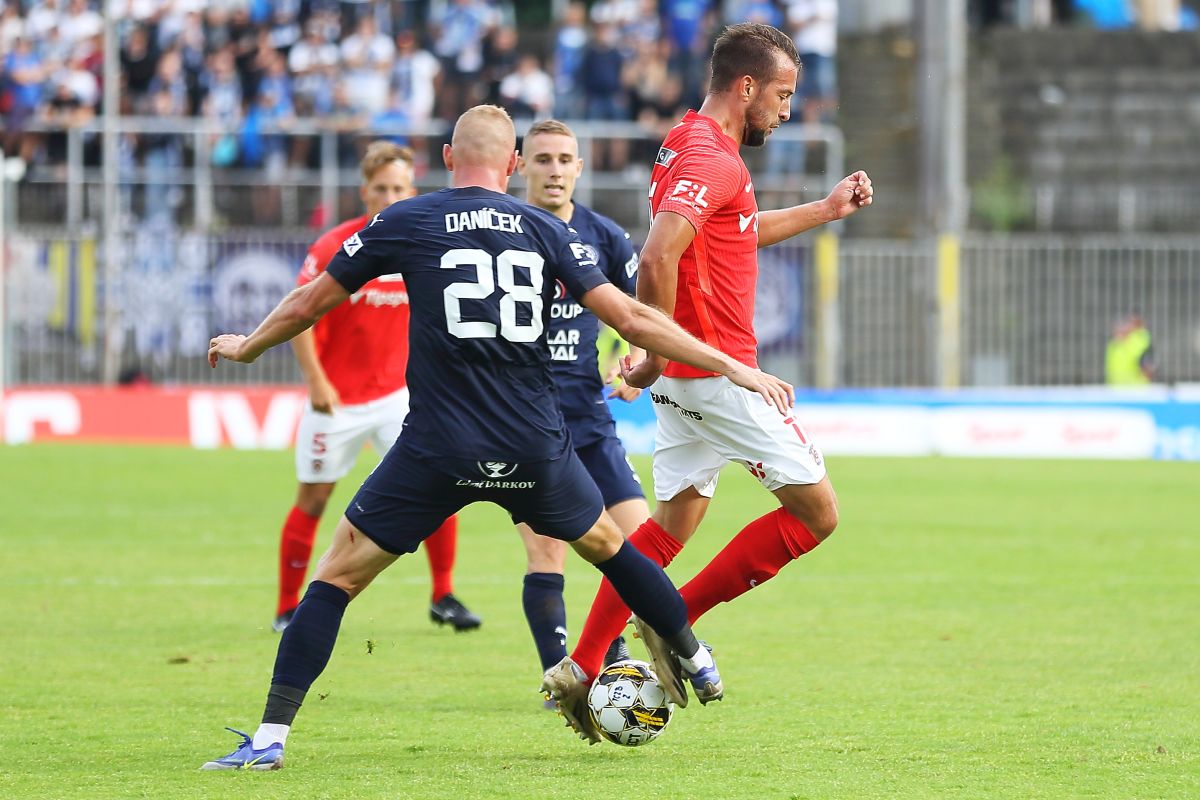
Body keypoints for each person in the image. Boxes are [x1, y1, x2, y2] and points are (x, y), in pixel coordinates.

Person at [201, 105, 796, 767]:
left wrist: (249, 345)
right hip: (533, 446)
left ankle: (270, 739)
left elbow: (311, 300)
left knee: (336, 577)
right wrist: (731, 364)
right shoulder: (547, 228)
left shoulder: (407, 219)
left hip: (438, 446)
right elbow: (632, 318)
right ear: (514, 165)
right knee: (616, 550)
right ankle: (692, 653)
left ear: (447, 159)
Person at [550, 22, 874, 718]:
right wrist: (654, 352)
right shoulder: (712, 158)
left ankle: (583, 663)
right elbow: (657, 255)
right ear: (746, 86)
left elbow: (733, 234)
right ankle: (676, 619)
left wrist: (825, 209)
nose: (786, 111)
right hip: (717, 374)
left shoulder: (688, 142)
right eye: (782, 95)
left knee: (669, 526)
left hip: (685, 379)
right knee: (818, 514)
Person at [271, 141, 480, 636]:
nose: (389, 197)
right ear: (364, 191)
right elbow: (299, 313)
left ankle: (443, 595)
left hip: (399, 399)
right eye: (381, 188)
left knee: (440, 488)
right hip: (336, 400)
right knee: (314, 499)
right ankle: (286, 607)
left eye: (399, 189)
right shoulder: (335, 245)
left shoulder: (425, 243)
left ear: (412, 191)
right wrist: (317, 381)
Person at [514, 120, 648, 700]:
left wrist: (639, 361)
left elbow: (640, 310)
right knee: (548, 550)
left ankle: (609, 649)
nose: (555, 170)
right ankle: (561, 680)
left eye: (564, 159)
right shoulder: (504, 232)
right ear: (521, 165)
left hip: (591, 420)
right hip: (525, 423)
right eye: (543, 159)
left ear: (580, 168)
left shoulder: (605, 236)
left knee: (640, 542)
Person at [1105, 313, 1154, 385]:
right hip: (1115, 389)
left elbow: (1148, 368)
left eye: (1123, 325)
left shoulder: (1140, 342)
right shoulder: (1113, 345)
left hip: (1136, 389)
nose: (1119, 329)